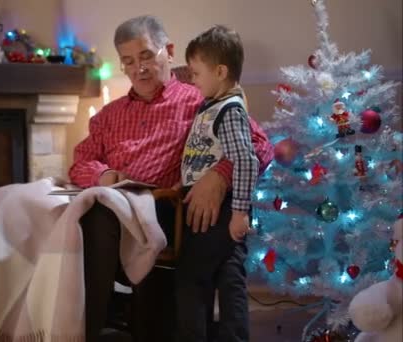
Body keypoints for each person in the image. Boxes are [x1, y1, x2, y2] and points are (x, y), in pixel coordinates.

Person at [68, 15, 274, 342]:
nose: (139, 69)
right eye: (129, 61)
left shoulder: (202, 99)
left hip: (164, 213)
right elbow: (79, 162)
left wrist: (219, 176)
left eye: (147, 56)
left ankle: (85, 333)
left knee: (100, 219)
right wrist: (104, 173)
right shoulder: (109, 115)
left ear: (169, 51)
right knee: (57, 216)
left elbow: (261, 146)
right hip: (118, 204)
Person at [173, 25, 257, 341]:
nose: (192, 80)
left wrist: (238, 212)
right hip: (219, 211)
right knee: (229, 275)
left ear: (220, 71)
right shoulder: (213, 101)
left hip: (217, 212)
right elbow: (189, 73)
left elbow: (246, 160)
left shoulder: (229, 111)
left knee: (191, 278)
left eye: (196, 74)